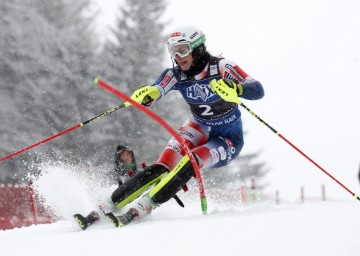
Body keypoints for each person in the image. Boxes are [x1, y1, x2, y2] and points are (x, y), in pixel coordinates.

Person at [75, 25, 264, 229]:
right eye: (173, 50)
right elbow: (158, 88)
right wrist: (147, 94)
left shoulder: (221, 67)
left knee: (193, 161)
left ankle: (144, 206)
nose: (178, 56)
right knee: (163, 164)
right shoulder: (176, 74)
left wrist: (236, 89)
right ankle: (106, 206)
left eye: (183, 49)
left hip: (227, 139)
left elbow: (257, 90)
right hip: (198, 126)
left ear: (197, 48)